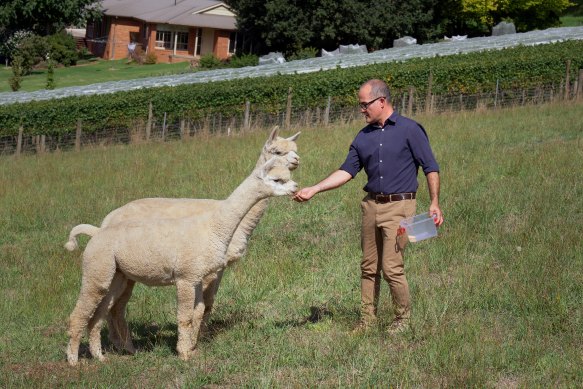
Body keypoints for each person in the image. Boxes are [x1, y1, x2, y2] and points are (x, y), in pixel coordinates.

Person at [293, 79, 443, 334]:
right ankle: (367, 320)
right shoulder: (363, 137)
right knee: (368, 266)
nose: (361, 110)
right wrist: (315, 189)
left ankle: (402, 321)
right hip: (371, 206)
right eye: (360, 105)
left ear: (381, 101)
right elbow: (347, 171)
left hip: (400, 207)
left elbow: (431, 167)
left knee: (392, 267)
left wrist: (434, 202)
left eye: (365, 105)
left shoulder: (410, 130)